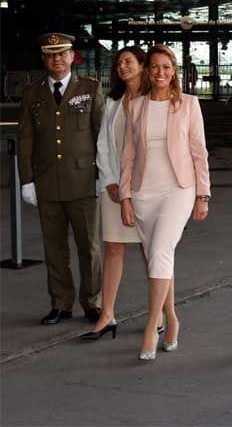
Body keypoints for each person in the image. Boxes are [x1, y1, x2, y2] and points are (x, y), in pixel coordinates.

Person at [119, 44, 210, 361]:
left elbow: (199, 151)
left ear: (175, 72)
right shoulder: (136, 106)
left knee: (159, 252)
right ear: (148, 70)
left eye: (167, 67)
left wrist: (202, 194)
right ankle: (172, 320)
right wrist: (126, 196)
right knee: (161, 258)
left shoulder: (188, 104)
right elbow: (128, 155)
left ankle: (150, 326)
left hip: (178, 191)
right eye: (155, 67)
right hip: (144, 193)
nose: (160, 73)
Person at [17, 32, 104, 325]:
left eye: (62, 53)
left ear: (72, 56)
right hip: (47, 183)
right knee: (54, 249)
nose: (57, 59)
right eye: (50, 54)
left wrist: (102, 176)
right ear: (44, 59)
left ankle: (93, 302)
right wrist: (26, 179)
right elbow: (26, 138)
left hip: (83, 182)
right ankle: (61, 304)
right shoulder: (32, 93)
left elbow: (100, 136)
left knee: (89, 247)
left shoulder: (90, 89)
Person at [81, 46, 163, 340]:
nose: (122, 66)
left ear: (143, 65)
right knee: (113, 248)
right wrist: (111, 182)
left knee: (151, 250)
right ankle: (107, 314)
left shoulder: (155, 98)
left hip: (147, 187)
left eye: (128, 61)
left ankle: (161, 313)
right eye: (119, 63)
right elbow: (103, 143)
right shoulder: (114, 100)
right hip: (115, 188)